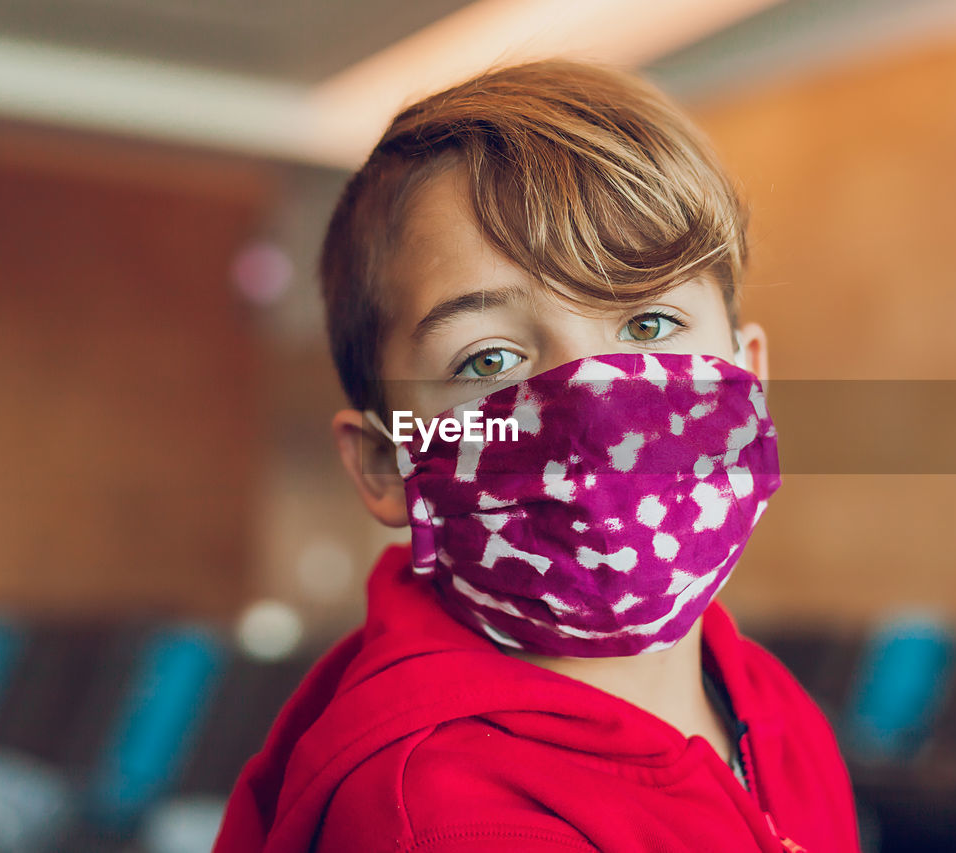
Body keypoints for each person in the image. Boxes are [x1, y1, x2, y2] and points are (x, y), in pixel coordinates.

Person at [214, 59, 860, 853]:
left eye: (650, 325)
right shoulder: (439, 820)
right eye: (488, 361)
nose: (594, 410)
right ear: (389, 463)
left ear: (747, 383)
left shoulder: (779, 712)